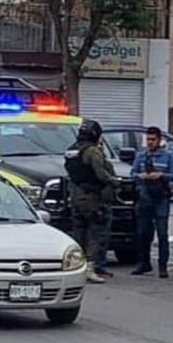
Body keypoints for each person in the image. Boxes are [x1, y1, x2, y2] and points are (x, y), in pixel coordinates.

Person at [64, 119, 120, 284]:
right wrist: (114, 181)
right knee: (97, 233)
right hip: (93, 198)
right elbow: (101, 174)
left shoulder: (71, 151)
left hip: (76, 196)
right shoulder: (92, 151)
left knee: (79, 232)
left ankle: (76, 267)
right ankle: (90, 267)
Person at [130, 127, 173, 277]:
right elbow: (132, 174)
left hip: (161, 199)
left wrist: (161, 175)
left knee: (162, 233)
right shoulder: (141, 156)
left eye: (153, 139)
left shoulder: (168, 156)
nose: (150, 142)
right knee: (143, 233)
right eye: (148, 139)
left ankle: (163, 266)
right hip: (144, 198)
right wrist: (142, 176)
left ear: (159, 140)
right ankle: (144, 263)